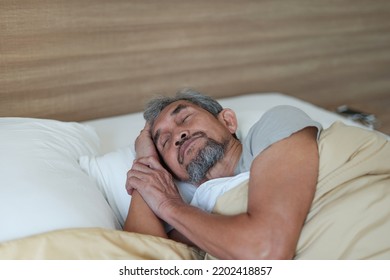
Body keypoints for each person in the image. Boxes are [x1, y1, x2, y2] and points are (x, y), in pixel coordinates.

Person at [124, 88, 322, 259]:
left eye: (185, 118)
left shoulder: (274, 125)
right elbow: (142, 262)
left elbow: (266, 249)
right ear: (170, 170)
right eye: (165, 141)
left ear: (228, 121)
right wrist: (146, 163)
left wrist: (168, 205)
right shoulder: (198, 213)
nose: (178, 135)